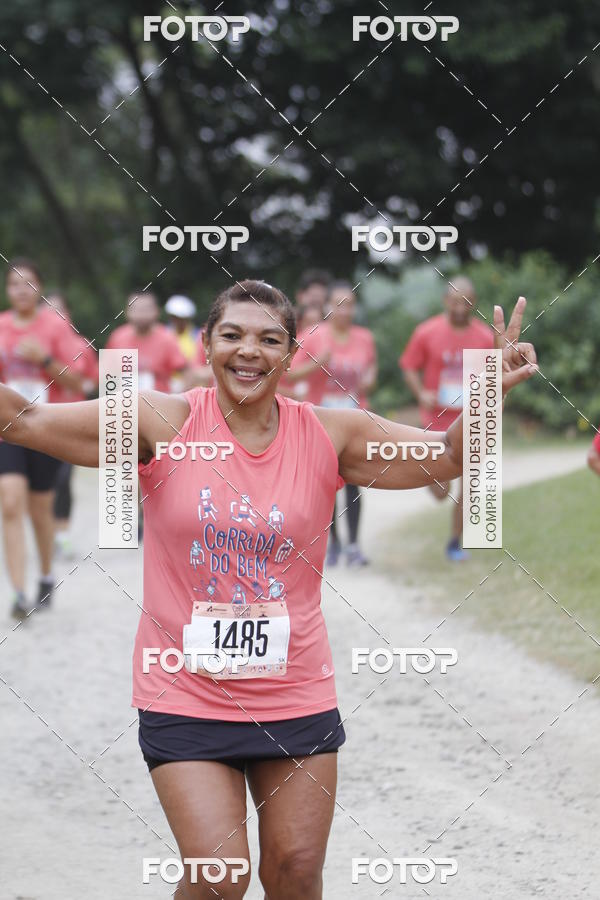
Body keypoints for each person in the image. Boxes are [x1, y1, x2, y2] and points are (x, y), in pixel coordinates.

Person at [0, 280, 537, 899]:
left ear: (290, 355)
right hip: (186, 691)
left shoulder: (332, 435)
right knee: (221, 876)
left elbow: (445, 456)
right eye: (231, 335)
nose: (248, 350)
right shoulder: (157, 420)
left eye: (268, 339)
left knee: (296, 870)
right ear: (205, 345)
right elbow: (24, 419)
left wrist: (485, 395)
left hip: (295, 692)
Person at [0, 259, 85, 618]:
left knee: (40, 511)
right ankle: (19, 593)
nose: (21, 289)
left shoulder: (55, 327)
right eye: (14, 283)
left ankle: (46, 575)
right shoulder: (1, 326)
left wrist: (45, 358)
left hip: (45, 428)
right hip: (7, 430)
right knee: (10, 503)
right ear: (7, 290)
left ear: (39, 288)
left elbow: (78, 382)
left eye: (28, 283)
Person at [400, 277, 495, 561]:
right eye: (454, 301)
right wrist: (421, 393)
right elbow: (408, 365)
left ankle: (455, 542)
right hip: (436, 420)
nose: (459, 307)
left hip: (472, 420)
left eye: (465, 301)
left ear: (473, 302)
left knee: (471, 486)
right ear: (445, 301)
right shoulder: (427, 332)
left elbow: (495, 375)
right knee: (442, 490)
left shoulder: (484, 337)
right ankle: (428, 480)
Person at [288, 281, 377, 566]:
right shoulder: (312, 335)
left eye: (349, 304)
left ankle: (353, 545)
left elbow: (371, 364)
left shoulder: (363, 337)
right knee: (327, 483)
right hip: (320, 420)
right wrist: (317, 364)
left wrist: (371, 378)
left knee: (354, 480)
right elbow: (286, 373)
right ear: (327, 307)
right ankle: (335, 544)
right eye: (338, 304)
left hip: (353, 419)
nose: (344, 310)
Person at [47, 291, 99, 559]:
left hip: (72, 418)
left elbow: (94, 378)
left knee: (63, 478)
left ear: (68, 314)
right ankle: (48, 533)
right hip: (41, 418)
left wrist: (84, 385)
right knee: (41, 482)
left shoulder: (81, 346)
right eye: (47, 310)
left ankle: (63, 535)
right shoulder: (35, 344)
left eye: (58, 310)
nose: (54, 316)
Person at [106, 291, 187, 392]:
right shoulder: (117, 337)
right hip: (124, 402)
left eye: (146, 309)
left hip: (159, 403)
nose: (141, 314)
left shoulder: (167, 338)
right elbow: (106, 374)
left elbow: (186, 371)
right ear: (127, 312)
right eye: (136, 309)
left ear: (157, 312)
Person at [165, 294, 199, 392]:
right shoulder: (164, 334)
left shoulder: (197, 335)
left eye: (181, 317)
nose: (177, 321)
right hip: (167, 383)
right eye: (175, 317)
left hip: (191, 384)